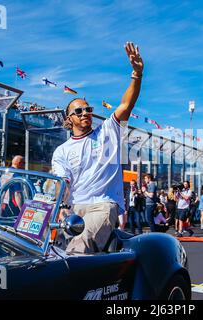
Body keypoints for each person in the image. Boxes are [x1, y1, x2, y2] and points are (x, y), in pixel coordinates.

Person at [51, 42, 144, 254]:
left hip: (102, 205)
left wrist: (136, 74)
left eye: (88, 109)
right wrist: (58, 207)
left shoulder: (107, 132)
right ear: (69, 119)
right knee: (52, 250)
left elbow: (125, 105)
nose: (85, 113)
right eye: (79, 111)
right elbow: (62, 183)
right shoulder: (61, 151)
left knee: (79, 247)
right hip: (73, 208)